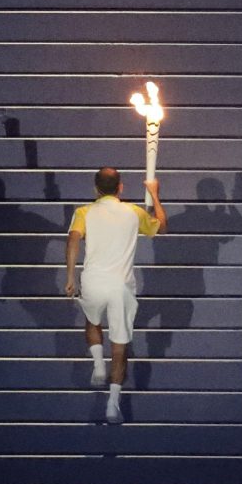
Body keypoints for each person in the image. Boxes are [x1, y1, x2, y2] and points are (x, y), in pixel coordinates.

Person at [65, 167, 167, 423]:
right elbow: (161, 227)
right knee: (120, 346)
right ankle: (113, 404)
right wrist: (154, 194)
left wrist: (70, 277)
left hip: (93, 282)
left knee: (92, 320)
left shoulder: (83, 212)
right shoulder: (134, 212)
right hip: (121, 287)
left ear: (95, 189)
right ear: (120, 187)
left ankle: (99, 364)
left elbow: (73, 241)